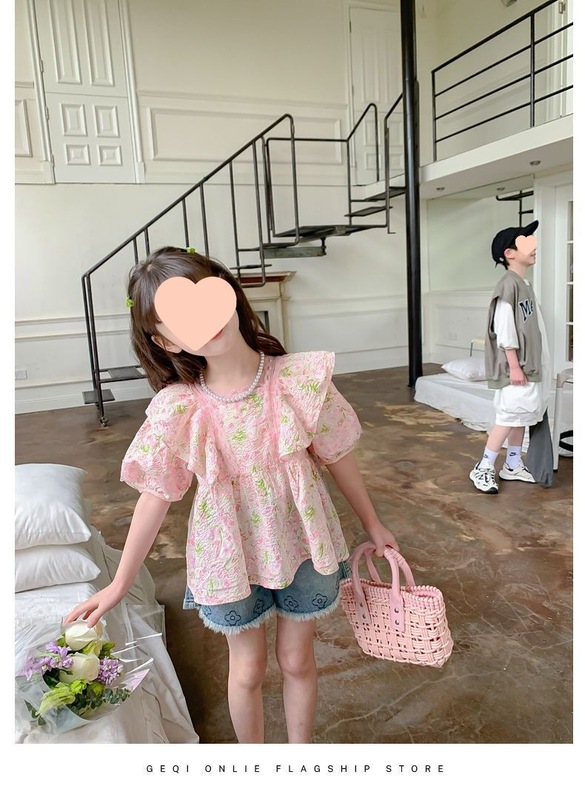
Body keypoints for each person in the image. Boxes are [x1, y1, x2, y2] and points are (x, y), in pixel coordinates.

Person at [65, 246, 399, 744]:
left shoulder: (299, 380)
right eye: (179, 319)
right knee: (247, 669)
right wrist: (119, 584)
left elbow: (338, 456)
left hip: (304, 544)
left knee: (297, 660)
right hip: (229, 555)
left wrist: (374, 524)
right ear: (166, 341)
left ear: (227, 294)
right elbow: (155, 496)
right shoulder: (181, 408)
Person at [469, 220, 551, 494]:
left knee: (521, 416)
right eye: (525, 242)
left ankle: (512, 464)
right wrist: (514, 366)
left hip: (529, 367)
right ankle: (483, 466)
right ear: (509, 253)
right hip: (516, 368)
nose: (533, 246)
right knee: (508, 416)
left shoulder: (523, 284)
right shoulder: (508, 286)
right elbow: (504, 329)